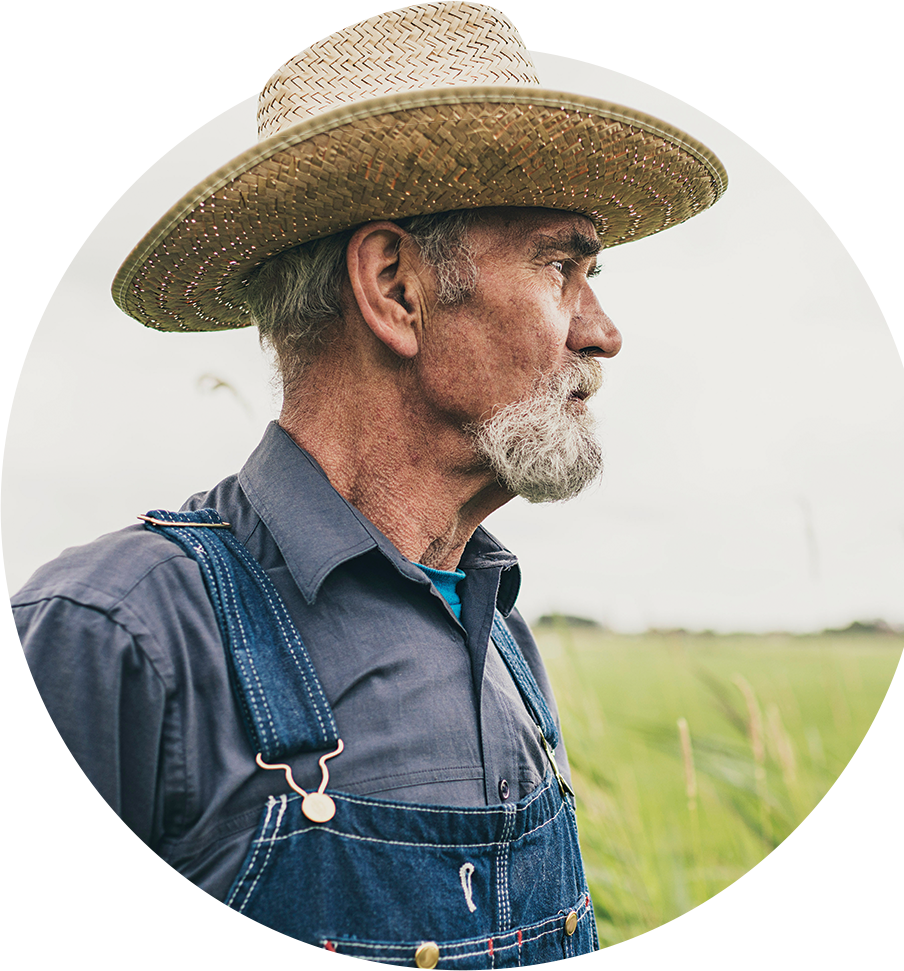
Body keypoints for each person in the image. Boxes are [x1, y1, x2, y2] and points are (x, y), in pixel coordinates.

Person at [0, 3, 726, 969]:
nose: (601, 332)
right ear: (394, 287)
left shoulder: (499, 636)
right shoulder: (115, 637)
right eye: (561, 266)